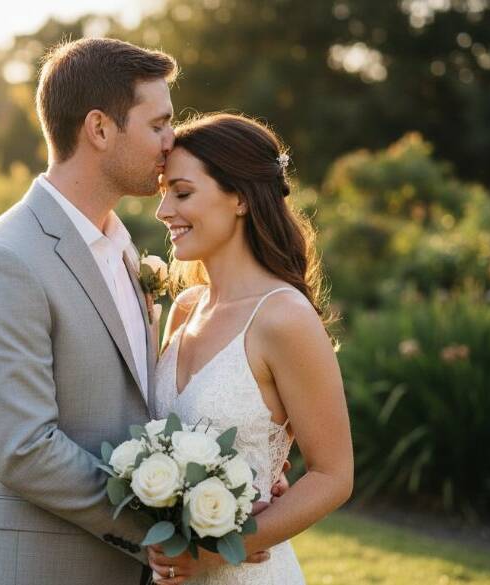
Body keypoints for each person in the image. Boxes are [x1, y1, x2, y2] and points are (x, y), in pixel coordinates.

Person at [0, 40, 279, 585]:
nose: (172, 143)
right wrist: (172, 521)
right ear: (99, 129)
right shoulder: (3, 261)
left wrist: (234, 482)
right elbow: (23, 450)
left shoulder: (120, 248)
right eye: (158, 124)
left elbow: (140, 410)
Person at [149, 113, 354, 585]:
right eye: (163, 194)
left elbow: (333, 476)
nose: (163, 212)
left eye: (181, 193)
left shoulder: (284, 318)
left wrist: (221, 549)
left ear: (239, 197)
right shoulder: (182, 309)